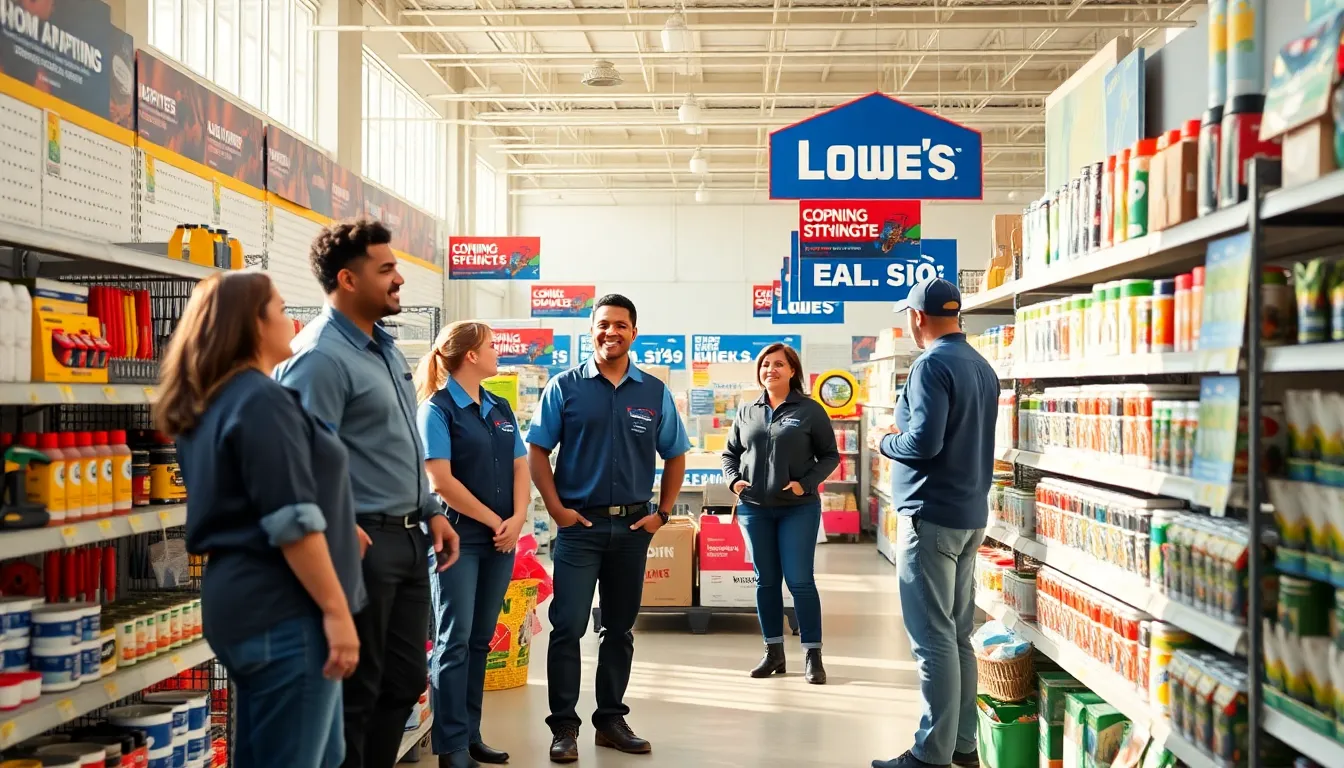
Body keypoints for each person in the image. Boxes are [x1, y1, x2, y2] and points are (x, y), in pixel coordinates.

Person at [275, 218, 461, 768]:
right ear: (347, 280)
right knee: (356, 693)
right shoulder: (320, 358)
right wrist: (334, 526)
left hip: (407, 540)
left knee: (403, 682)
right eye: (386, 269)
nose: (399, 278)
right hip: (359, 544)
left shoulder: (382, 348)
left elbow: (399, 441)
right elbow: (294, 460)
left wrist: (432, 510)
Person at [158, 272, 362, 768]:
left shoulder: (213, 401)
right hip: (286, 607)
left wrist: (338, 524)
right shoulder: (261, 400)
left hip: (240, 603)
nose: (292, 319)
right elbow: (289, 520)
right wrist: (336, 612)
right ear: (253, 323)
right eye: (280, 308)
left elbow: (249, 497)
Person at [526, 294, 690, 764]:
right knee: (568, 626)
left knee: (619, 629)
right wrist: (555, 509)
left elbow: (675, 453)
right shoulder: (564, 387)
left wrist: (663, 511)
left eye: (620, 325)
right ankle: (563, 728)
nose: (610, 332)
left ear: (634, 333)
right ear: (591, 330)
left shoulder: (653, 392)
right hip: (579, 527)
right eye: (602, 324)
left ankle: (611, 721)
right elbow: (537, 451)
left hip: (634, 529)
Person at [871, 278, 999, 768]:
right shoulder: (980, 366)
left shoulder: (932, 365)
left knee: (932, 639)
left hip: (930, 516)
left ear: (918, 317)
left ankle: (930, 754)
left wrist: (885, 441)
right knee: (957, 633)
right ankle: (964, 745)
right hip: (970, 514)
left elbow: (923, 444)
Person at [413, 322, 528, 768]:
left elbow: (521, 466)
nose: (498, 352)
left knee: (481, 640)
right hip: (458, 540)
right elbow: (440, 479)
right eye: (492, 346)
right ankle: (450, 746)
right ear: (471, 356)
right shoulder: (437, 410)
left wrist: (517, 520)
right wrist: (495, 519)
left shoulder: (498, 406)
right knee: (453, 641)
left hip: (501, 539)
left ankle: (471, 733)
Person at [720, 343, 840, 684]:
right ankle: (773, 652)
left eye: (777, 364)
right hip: (754, 510)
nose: (770, 369)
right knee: (765, 581)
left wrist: (806, 484)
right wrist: (734, 481)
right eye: (765, 364)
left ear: (792, 370)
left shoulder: (810, 410)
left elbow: (830, 456)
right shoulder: (747, 411)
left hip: (797, 510)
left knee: (800, 580)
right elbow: (729, 454)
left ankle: (813, 655)